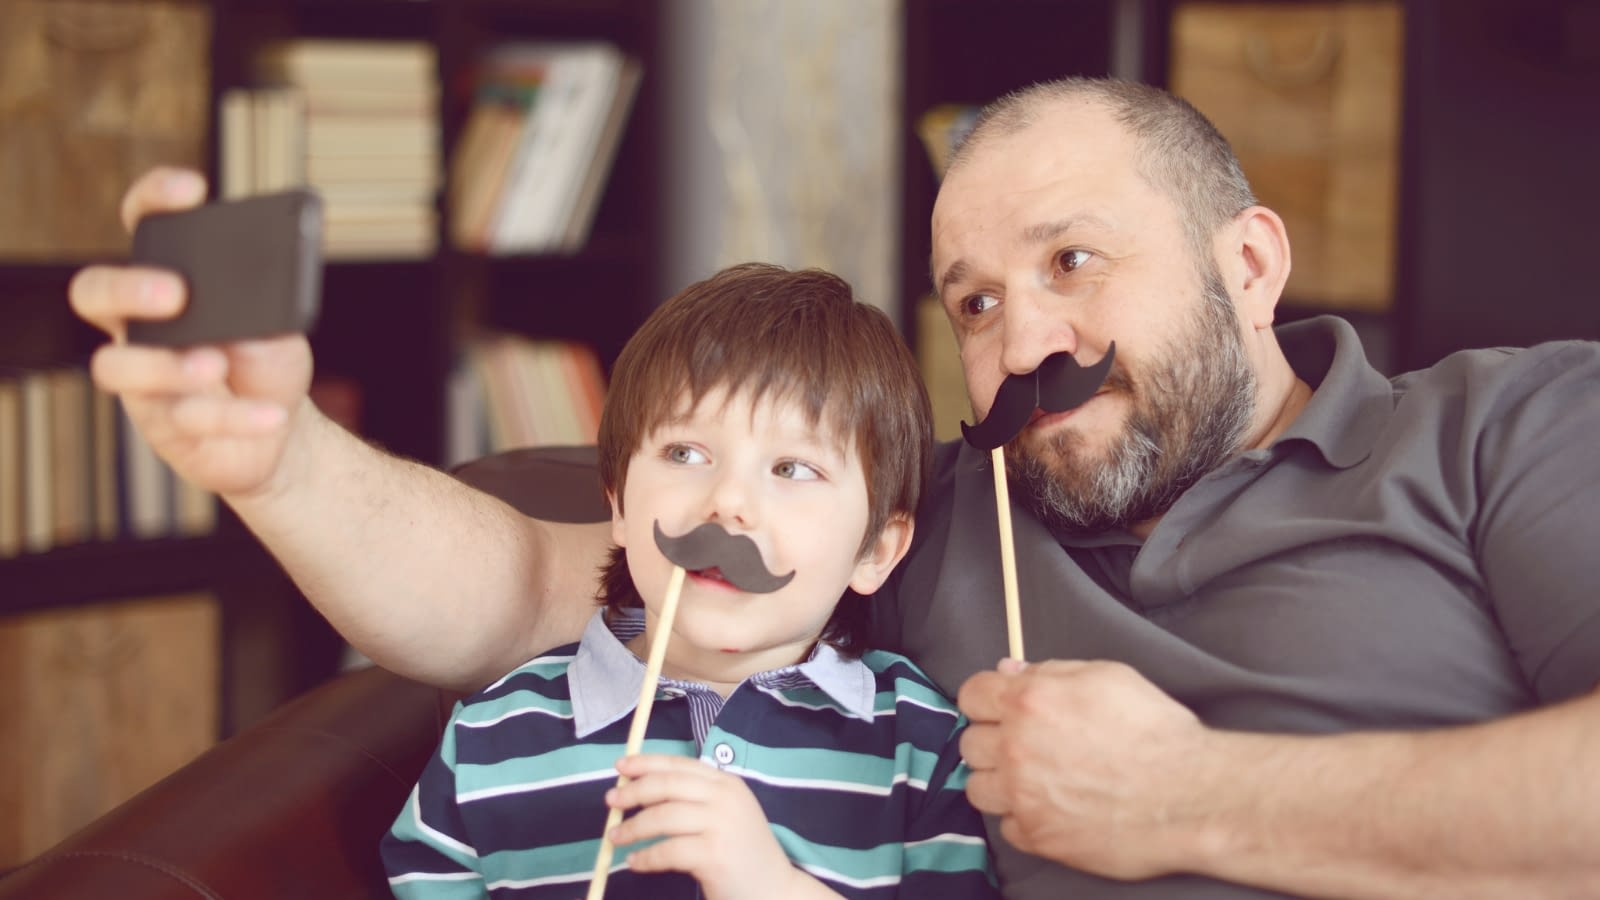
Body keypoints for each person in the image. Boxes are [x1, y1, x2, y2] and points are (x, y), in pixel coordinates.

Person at [70, 75, 1600, 899]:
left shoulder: (1508, 430)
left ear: (1247, 263)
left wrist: (1192, 797)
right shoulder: (932, 508)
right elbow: (529, 585)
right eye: (975, 302)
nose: (1025, 345)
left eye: (1072, 261)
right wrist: (277, 456)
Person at [379, 263, 997, 898]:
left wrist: (770, 887)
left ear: (876, 551)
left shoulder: (922, 747)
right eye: (685, 454)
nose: (727, 502)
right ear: (620, 505)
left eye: (792, 468)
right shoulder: (491, 739)